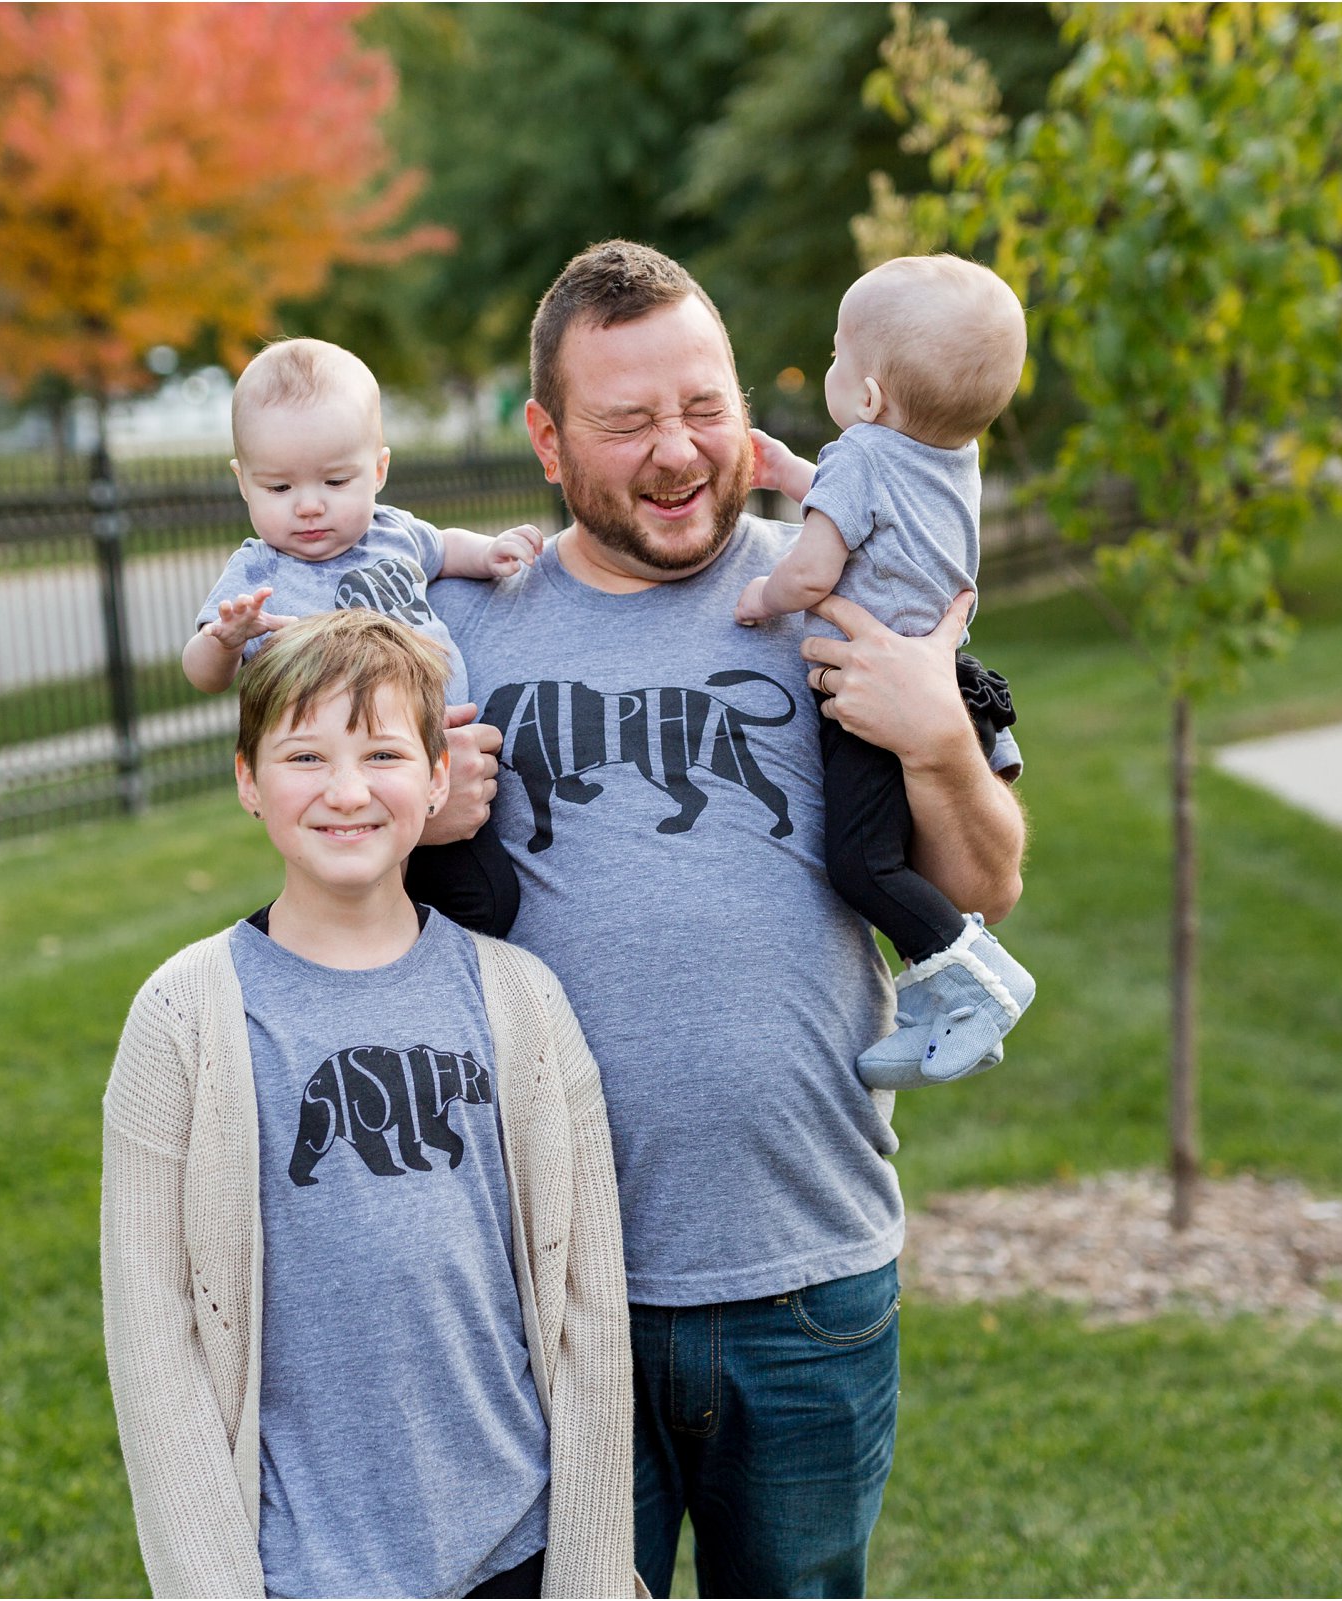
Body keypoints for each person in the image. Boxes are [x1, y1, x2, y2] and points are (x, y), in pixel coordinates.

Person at [427, 241, 1027, 1598]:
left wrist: (937, 740)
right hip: (547, 1290)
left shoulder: (862, 587)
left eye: (699, 408)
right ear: (543, 436)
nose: (675, 452)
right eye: (625, 421)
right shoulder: (462, 624)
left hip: (805, 1270)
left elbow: (981, 889)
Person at [102, 609, 640, 1599]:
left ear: (438, 777)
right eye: (304, 754)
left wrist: (595, 1571)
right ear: (245, 780)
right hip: (301, 1569)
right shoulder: (184, 1017)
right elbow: (154, 1343)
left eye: (382, 752)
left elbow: (587, 1315)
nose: (345, 790)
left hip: (512, 1553)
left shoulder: (520, 1000)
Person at [732, 253, 1038, 1090]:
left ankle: (977, 984)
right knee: (886, 856)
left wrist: (760, 595)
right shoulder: (949, 457)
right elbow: (860, 505)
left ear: (866, 398)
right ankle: (941, 1003)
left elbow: (811, 573)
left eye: (836, 355)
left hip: (874, 696)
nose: (829, 365)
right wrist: (789, 472)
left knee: (861, 863)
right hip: (941, 675)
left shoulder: (862, 453)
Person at [184, 335, 545, 935]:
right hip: (350, 773)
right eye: (280, 488)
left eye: (334, 482)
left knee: (486, 898)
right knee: (402, 911)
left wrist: (491, 553)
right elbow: (201, 675)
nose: (308, 507)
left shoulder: (392, 533)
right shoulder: (260, 572)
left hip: (439, 749)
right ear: (243, 481)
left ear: (377, 470)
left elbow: (446, 547)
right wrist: (225, 640)